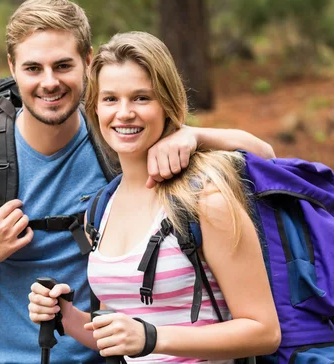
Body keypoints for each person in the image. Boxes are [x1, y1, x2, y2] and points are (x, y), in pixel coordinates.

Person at [0, 0, 275, 364]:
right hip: (22, 356)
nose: (49, 82)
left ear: (87, 62)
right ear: (12, 68)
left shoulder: (119, 134)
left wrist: (194, 135)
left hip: (121, 355)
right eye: (33, 68)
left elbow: (264, 159)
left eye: (63, 65)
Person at [27, 31, 281, 363]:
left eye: (142, 98)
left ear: (168, 104)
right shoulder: (102, 207)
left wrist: (151, 337)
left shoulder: (205, 201)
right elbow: (124, 333)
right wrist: (66, 316)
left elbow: (263, 331)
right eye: (110, 99)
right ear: (95, 108)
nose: (124, 113)